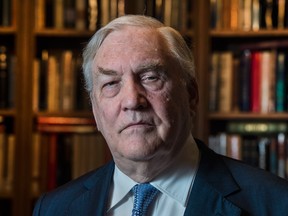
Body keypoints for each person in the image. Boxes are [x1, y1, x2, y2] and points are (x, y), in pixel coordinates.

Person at [33, 15, 288, 216]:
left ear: (191, 95)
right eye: (111, 83)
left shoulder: (275, 203)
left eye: (150, 77)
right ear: (95, 110)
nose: (132, 101)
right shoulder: (53, 209)